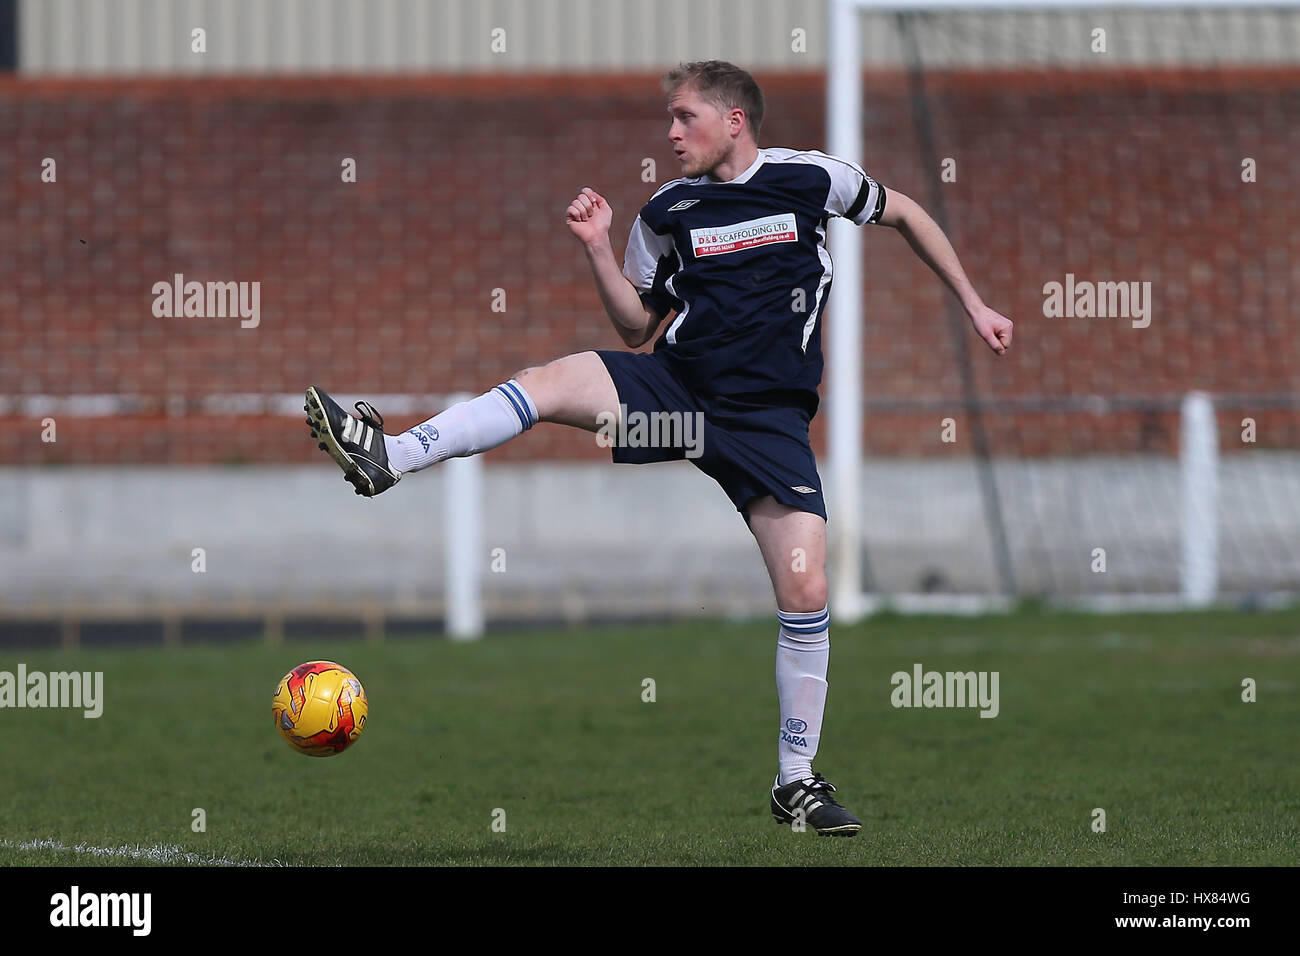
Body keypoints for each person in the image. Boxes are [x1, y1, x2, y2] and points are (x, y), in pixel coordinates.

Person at [304, 59, 1012, 838]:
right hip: (678, 400)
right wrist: (600, 249)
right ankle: (390, 455)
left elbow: (906, 212)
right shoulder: (669, 210)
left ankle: (795, 784)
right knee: (549, 381)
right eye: (669, 120)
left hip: (769, 423)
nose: (671, 134)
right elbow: (637, 328)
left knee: (807, 594)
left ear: (733, 120)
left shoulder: (812, 180)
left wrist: (975, 303)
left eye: (685, 118)